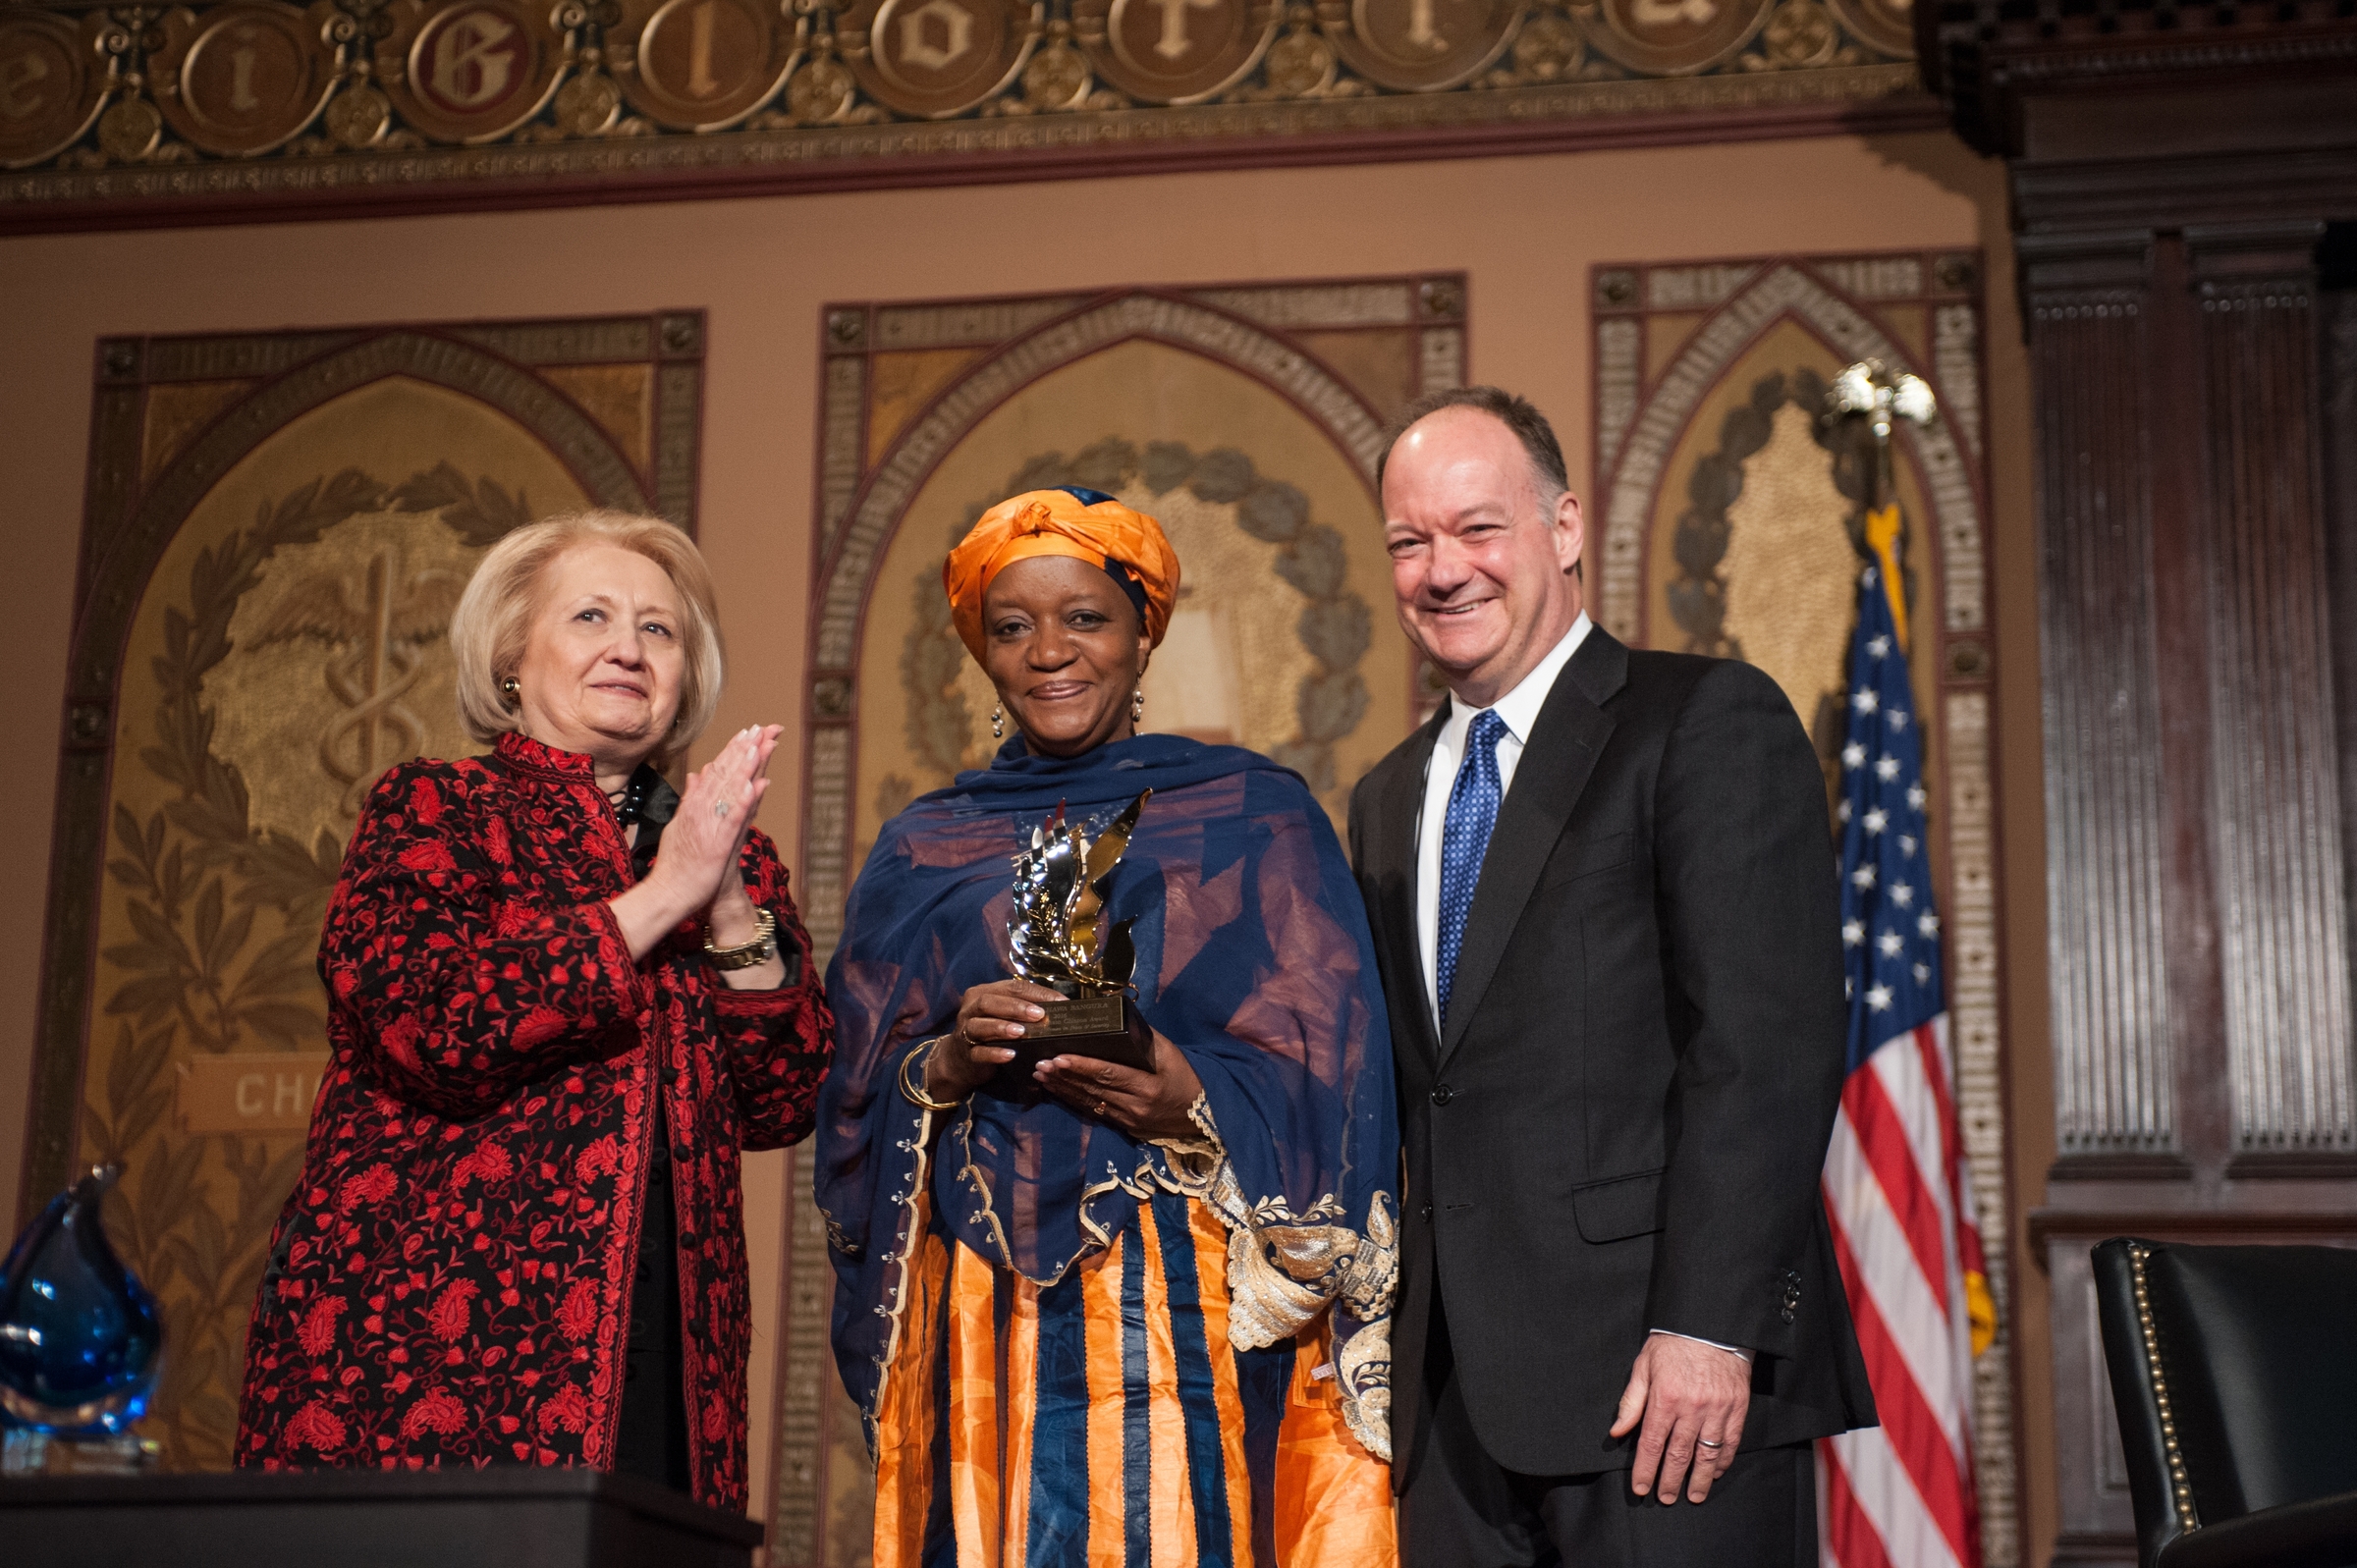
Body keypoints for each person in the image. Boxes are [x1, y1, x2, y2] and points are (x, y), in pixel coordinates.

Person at [818, 487, 1399, 1567]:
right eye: (1013, 625)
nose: (1050, 652)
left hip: (1185, 1291)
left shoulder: (1252, 814)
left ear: (1142, 632)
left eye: (1084, 617)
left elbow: (1337, 1069)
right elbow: (852, 1091)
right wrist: (945, 1059)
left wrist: (1194, 1098)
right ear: (981, 650)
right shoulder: (924, 844)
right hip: (984, 1309)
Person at [1346, 389, 1876, 1566]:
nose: (1443, 571)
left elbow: (1765, 1048)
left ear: (1567, 528)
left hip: (1663, 1387)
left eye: (1479, 529)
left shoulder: (1701, 721)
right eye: (1410, 541)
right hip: (1450, 1410)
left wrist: (1709, 1328)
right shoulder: (1385, 797)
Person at [236, 511, 834, 1511]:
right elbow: (434, 1028)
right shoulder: (432, 808)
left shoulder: (730, 855)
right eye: (592, 615)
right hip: (430, 1342)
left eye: (660, 629)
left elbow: (784, 1100)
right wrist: (659, 896)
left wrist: (726, 901)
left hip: (667, 1345)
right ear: (513, 657)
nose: (629, 649)